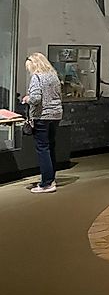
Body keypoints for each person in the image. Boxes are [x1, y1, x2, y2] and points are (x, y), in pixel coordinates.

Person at [22, 52, 63, 194]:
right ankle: (51, 178)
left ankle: (46, 183)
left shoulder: (37, 77)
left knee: (42, 148)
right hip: (56, 115)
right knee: (50, 147)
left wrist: (27, 99)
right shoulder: (54, 76)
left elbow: (35, 98)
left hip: (42, 116)